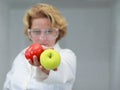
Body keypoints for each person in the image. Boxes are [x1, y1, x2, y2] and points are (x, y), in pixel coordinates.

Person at [3, 3, 77, 90]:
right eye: (37, 31)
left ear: (58, 33)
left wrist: (47, 69)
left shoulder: (67, 56)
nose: (42, 38)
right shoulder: (21, 56)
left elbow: (62, 74)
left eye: (49, 31)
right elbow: (8, 85)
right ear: (29, 33)